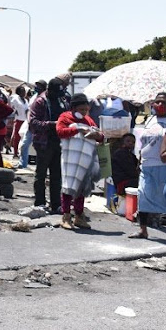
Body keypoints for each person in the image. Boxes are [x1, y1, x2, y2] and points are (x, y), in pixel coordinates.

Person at [56, 93, 104, 229]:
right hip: (70, 159)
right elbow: (60, 132)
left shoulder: (89, 120)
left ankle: (79, 216)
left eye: (86, 109)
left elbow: (101, 135)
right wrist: (77, 129)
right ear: (74, 108)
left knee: (82, 188)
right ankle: (66, 216)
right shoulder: (65, 117)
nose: (84, 112)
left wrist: (97, 135)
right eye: (81, 109)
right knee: (68, 187)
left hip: (85, 160)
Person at [130, 93, 166, 239]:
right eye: (157, 102)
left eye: (164, 102)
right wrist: (139, 159)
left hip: (164, 166)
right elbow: (143, 143)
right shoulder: (150, 119)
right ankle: (143, 230)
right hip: (147, 165)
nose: (160, 105)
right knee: (143, 196)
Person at [30, 78, 68, 212]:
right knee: (41, 174)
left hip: (59, 142)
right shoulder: (40, 101)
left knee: (56, 175)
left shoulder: (61, 100)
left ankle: (56, 204)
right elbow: (33, 123)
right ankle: (40, 202)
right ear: (49, 90)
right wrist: (52, 124)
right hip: (43, 143)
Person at [18, 80, 47, 169]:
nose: (36, 88)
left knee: (40, 148)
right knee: (24, 145)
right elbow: (29, 110)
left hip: (40, 126)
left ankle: (41, 168)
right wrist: (29, 120)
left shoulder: (45, 98)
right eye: (36, 85)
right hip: (30, 125)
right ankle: (23, 165)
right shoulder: (34, 97)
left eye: (39, 86)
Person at [10, 85, 28, 159]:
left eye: (24, 91)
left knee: (23, 137)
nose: (24, 93)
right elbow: (11, 107)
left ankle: (21, 152)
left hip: (25, 120)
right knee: (16, 137)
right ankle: (15, 153)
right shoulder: (15, 99)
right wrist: (14, 111)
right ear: (19, 92)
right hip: (18, 120)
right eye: (22, 91)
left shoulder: (26, 100)